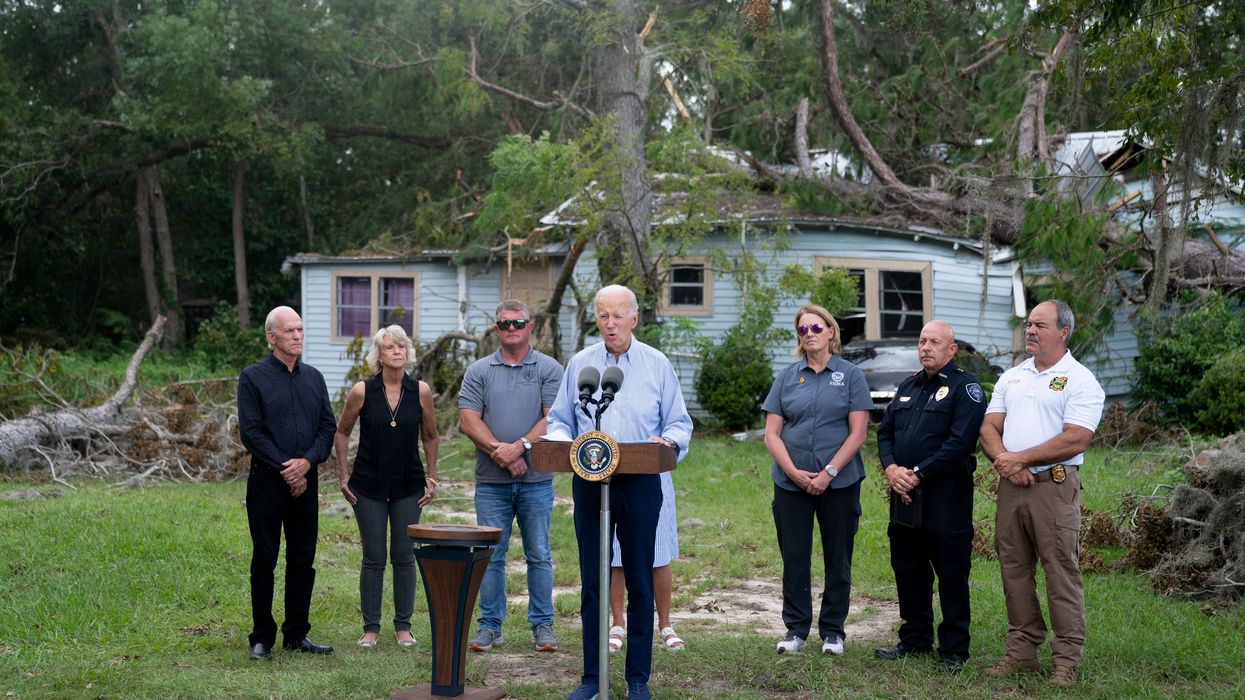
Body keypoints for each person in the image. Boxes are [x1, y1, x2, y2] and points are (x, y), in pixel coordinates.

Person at [546, 284, 693, 700]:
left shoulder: (656, 364)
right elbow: (559, 419)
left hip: (640, 481)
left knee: (641, 580)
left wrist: (667, 442)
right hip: (590, 479)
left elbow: (679, 424)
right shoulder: (581, 365)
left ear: (634, 318)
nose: (609, 324)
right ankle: (593, 678)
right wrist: (561, 441)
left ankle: (637, 679)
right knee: (593, 580)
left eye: (617, 316)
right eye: (603, 316)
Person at [979, 300, 1105, 688]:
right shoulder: (1012, 377)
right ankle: (1022, 651)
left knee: (1059, 572)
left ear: (1063, 333)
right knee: (1013, 569)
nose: (1030, 331)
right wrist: (1006, 462)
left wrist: (1020, 459)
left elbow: (1076, 437)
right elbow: (988, 427)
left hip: (1054, 486)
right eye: (1028, 324)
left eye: (1040, 325)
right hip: (1012, 487)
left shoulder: (1080, 380)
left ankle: (1066, 659)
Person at [873, 321, 986, 673]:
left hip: (945, 498)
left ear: (951, 350)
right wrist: (892, 470)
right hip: (905, 498)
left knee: (951, 573)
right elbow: (885, 433)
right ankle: (915, 640)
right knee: (908, 568)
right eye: (922, 341)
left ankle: (953, 650)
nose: (926, 347)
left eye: (934, 342)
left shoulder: (965, 389)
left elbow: (960, 443)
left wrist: (917, 474)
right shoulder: (908, 386)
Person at [761, 304, 871, 656]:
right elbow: (772, 434)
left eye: (815, 328)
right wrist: (793, 471)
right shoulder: (788, 377)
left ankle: (833, 632)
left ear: (831, 332)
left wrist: (828, 473)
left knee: (838, 556)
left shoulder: (851, 375)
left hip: (839, 483)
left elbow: (858, 434)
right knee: (794, 556)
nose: (809, 334)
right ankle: (795, 631)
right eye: (803, 330)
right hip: (790, 483)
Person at [459, 300, 565, 654]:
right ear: (496, 328)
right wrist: (500, 454)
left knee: (539, 553)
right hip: (491, 482)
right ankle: (490, 626)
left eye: (517, 322)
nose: (511, 329)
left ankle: (543, 625)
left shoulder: (549, 369)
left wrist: (519, 447)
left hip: (537, 481)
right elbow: (468, 419)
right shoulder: (479, 370)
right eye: (504, 324)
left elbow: (553, 418)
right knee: (491, 555)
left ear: (530, 325)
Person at [237, 306, 336, 660]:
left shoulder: (314, 378)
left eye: (300, 330)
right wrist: (287, 467)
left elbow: (328, 427)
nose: (297, 336)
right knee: (265, 559)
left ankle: (297, 633)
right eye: (290, 331)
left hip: (306, 485)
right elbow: (251, 432)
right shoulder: (253, 378)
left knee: (302, 559)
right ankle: (261, 637)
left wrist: (307, 462)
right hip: (266, 483)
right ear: (272, 337)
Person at [334, 325, 439, 649]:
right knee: (374, 556)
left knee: (404, 556)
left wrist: (432, 477)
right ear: (379, 355)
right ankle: (371, 628)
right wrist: (343, 476)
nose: (398, 351)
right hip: (368, 486)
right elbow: (342, 432)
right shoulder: (362, 391)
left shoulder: (420, 390)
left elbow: (431, 436)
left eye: (402, 346)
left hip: (409, 484)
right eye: (391, 347)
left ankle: (403, 627)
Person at [607, 472, 682, 654]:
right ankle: (618, 623)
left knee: (659, 552)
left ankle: (665, 624)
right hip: (613, 473)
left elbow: (676, 443)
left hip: (652, 475)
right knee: (616, 556)